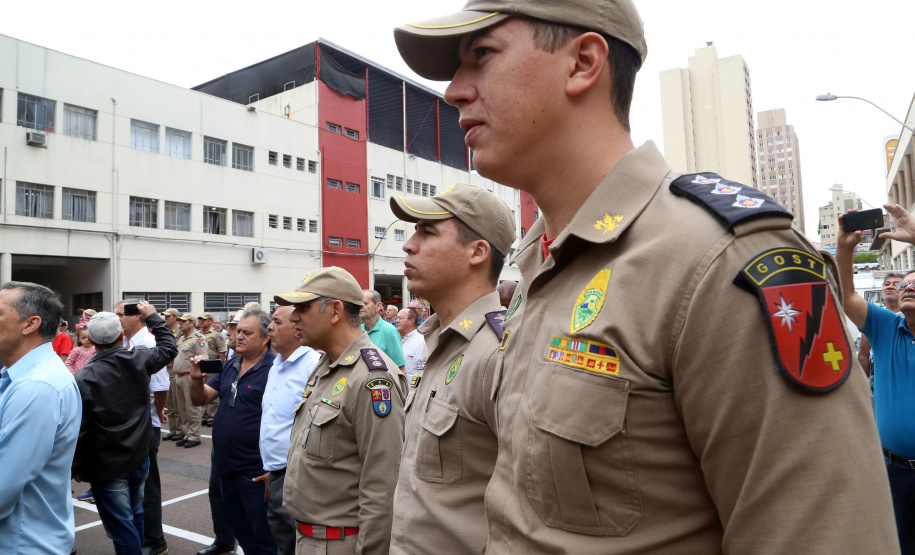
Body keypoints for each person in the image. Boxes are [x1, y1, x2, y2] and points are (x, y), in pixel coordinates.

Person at [393, 2, 899, 552]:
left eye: (482, 57)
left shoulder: (722, 259)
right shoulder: (540, 267)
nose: (454, 91)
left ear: (584, 62)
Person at [389, 182, 515, 554]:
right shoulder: (439, 342)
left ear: (477, 252)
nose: (408, 245)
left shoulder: (499, 353)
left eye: (427, 232)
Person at [277, 267, 405, 555]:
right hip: (308, 537)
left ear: (335, 311)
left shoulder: (372, 378)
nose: (293, 315)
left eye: (302, 307)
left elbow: (382, 488)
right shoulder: (326, 366)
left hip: (339, 543)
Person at [837, 204, 915, 553]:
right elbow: (848, 295)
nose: (908, 288)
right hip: (896, 472)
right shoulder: (885, 327)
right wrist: (844, 249)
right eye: (906, 285)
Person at [73, 303, 177, 555]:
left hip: (108, 465)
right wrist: (152, 316)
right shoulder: (138, 358)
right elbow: (169, 347)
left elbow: (81, 429)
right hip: (139, 455)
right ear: (120, 335)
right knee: (136, 513)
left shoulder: (85, 377)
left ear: (92, 341)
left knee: (122, 526)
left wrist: (76, 466)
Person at [0, 281, 81, 554]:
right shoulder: (25, 377)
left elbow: (4, 486)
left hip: (20, 543)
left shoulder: (37, 386)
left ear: (29, 324)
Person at [189, 308, 276, 555]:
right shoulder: (232, 363)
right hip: (226, 468)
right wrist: (196, 380)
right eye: (238, 331)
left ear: (265, 337)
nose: (239, 337)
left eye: (247, 333)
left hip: (255, 472)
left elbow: (288, 422)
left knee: (266, 540)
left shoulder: (275, 369)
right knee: (242, 533)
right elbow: (201, 399)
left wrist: (278, 468)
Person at [261, 306, 321, 554]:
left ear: (297, 329)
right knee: (281, 540)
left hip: (298, 473)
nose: (269, 328)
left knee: (297, 542)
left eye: (276, 322)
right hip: (275, 471)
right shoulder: (276, 366)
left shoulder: (313, 365)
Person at [115, 300, 171, 555]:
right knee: (136, 484)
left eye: (120, 315)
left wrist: (158, 411)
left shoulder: (147, 343)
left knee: (147, 486)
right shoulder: (130, 343)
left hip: (146, 425)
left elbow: (160, 386)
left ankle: (155, 541)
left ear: (136, 317)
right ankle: (144, 536)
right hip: (134, 425)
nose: (117, 320)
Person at [169, 314, 208, 448]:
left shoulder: (198, 338)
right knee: (182, 408)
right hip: (179, 376)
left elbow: (203, 357)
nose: (180, 323)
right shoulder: (181, 338)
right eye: (179, 321)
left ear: (192, 323)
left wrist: (196, 377)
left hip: (190, 376)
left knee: (192, 408)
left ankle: (194, 436)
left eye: (183, 321)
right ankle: (187, 434)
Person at [858, 273, 904, 376]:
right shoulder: (873, 316)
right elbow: (863, 354)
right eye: (887, 284)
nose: (890, 286)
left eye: (897, 284)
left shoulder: (910, 316)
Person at [361, 289, 406, 372]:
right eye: (358, 303)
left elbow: (400, 368)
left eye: (365, 303)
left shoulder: (389, 331)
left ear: (378, 306)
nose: (360, 306)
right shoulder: (358, 331)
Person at [199, 312, 227, 427]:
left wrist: (219, 368)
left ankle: (211, 415)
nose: (201, 321)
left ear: (211, 321)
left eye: (204, 319)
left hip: (212, 364)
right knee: (202, 390)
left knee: (212, 390)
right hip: (201, 365)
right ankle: (204, 415)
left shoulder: (217, 334)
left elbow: (221, 351)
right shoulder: (198, 334)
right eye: (200, 319)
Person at [161, 308, 184, 443]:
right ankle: (173, 429)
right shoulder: (165, 331)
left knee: (177, 400)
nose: (165, 318)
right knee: (169, 400)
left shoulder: (180, 331)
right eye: (165, 316)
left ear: (175, 317)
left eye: (168, 316)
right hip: (165, 367)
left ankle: (180, 430)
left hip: (174, 368)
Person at [395, 308, 424, 380]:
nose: (396, 321)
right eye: (397, 318)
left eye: (400, 318)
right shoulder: (394, 339)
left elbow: (422, 372)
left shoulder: (421, 342)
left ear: (411, 321)